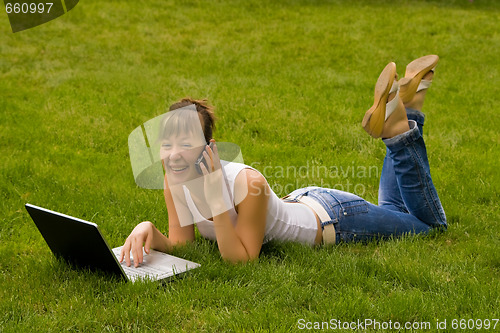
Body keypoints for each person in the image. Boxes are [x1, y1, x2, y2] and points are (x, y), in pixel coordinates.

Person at [120, 55, 447, 265]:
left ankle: (400, 125)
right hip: (306, 202)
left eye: (185, 143)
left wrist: (216, 200)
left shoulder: (247, 184)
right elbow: (183, 246)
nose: (173, 154)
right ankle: (406, 103)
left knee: (429, 227)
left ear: (210, 147)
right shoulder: (174, 177)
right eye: (166, 144)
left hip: (336, 220)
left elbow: (240, 260)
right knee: (397, 212)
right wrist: (149, 229)